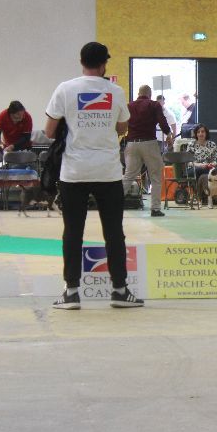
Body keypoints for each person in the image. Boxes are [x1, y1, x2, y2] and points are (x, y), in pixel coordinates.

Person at [44, 42, 143, 309]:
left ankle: (71, 292)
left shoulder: (65, 89)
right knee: (113, 232)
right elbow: (122, 127)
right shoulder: (115, 91)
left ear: (81, 62)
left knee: (73, 231)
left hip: (73, 171)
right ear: (103, 65)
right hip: (107, 171)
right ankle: (120, 291)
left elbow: (49, 131)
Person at [122, 84, 172, 217]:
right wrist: (168, 134)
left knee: (128, 176)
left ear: (138, 93)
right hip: (149, 143)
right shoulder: (154, 105)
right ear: (150, 94)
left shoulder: (129, 105)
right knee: (155, 177)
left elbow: (122, 124)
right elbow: (162, 122)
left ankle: (112, 205)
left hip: (132, 143)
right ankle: (155, 209)